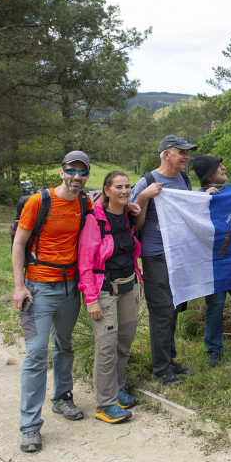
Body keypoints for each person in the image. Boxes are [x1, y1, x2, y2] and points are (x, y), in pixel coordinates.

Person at [12, 151, 93, 453]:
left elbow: (110, 210)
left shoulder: (85, 203)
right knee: (35, 354)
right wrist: (19, 285)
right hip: (38, 289)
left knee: (64, 345)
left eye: (82, 173)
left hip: (70, 289)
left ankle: (62, 398)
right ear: (61, 172)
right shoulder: (39, 202)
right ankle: (30, 427)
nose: (76, 177)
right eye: (72, 171)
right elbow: (19, 243)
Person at [132, 134, 197, 386]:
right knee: (161, 311)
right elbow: (133, 223)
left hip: (179, 254)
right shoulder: (146, 181)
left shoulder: (184, 179)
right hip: (156, 254)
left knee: (174, 308)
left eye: (187, 152)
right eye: (182, 152)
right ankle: (161, 369)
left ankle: (169, 359)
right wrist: (144, 197)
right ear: (167, 154)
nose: (186, 157)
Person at [77, 170, 141, 424]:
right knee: (106, 346)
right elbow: (85, 263)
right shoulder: (95, 220)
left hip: (129, 285)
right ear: (106, 190)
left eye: (127, 186)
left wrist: (139, 280)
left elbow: (132, 251)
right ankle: (105, 403)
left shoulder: (128, 216)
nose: (124, 191)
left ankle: (118, 389)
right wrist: (90, 299)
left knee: (124, 342)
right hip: (104, 291)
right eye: (118, 187)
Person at [193, 154, 231, 367]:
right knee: (215, 305)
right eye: (219, 166)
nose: (224, 167)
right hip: (215, 265)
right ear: (209, 175)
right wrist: (202, 200)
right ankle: (214, 349)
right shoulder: (196, 198)